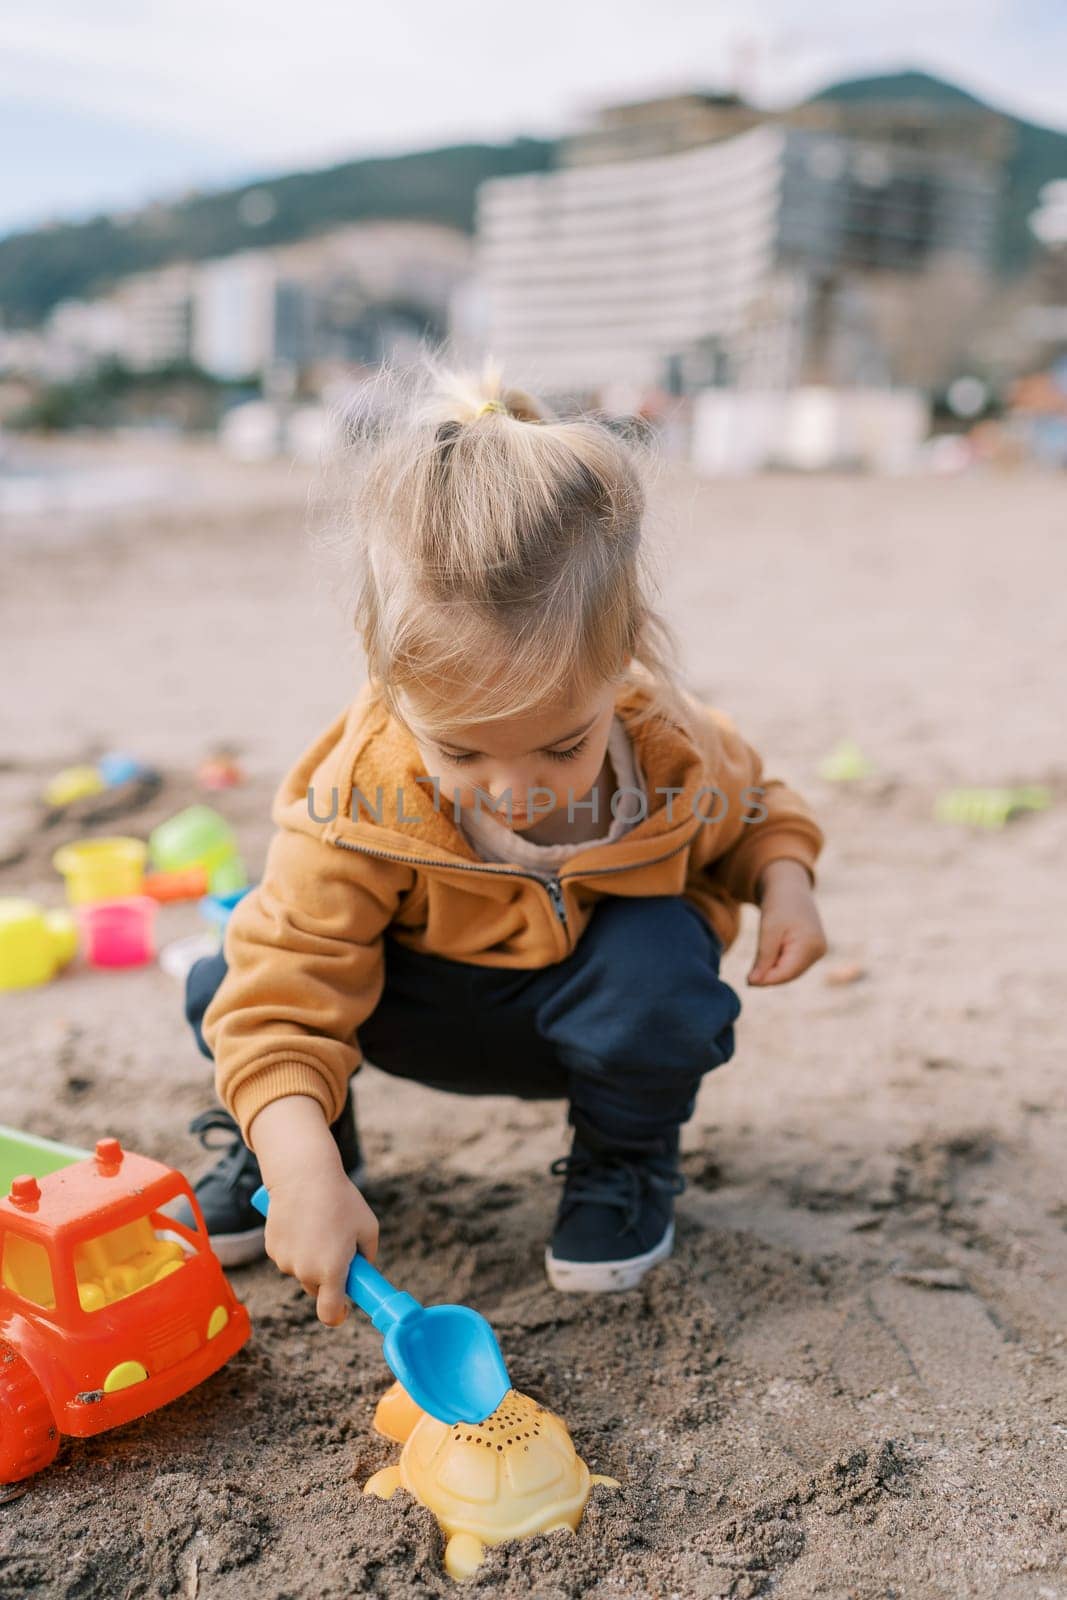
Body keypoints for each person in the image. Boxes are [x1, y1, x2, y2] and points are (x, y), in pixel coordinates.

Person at [182, 361, 826, 1323]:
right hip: (414, 1010)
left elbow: (752, 803)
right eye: (463, 751)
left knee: (663, 962)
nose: (516, 789)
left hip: (587, 1024)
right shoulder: (362, 798)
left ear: (622, 664)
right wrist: (296, 1157)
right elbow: (288, 985)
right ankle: (302, 1152)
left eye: (563, 744)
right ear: (390, 681)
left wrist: (785, 876)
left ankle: (623, 1159)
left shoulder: (671, 747)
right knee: (225, 976)